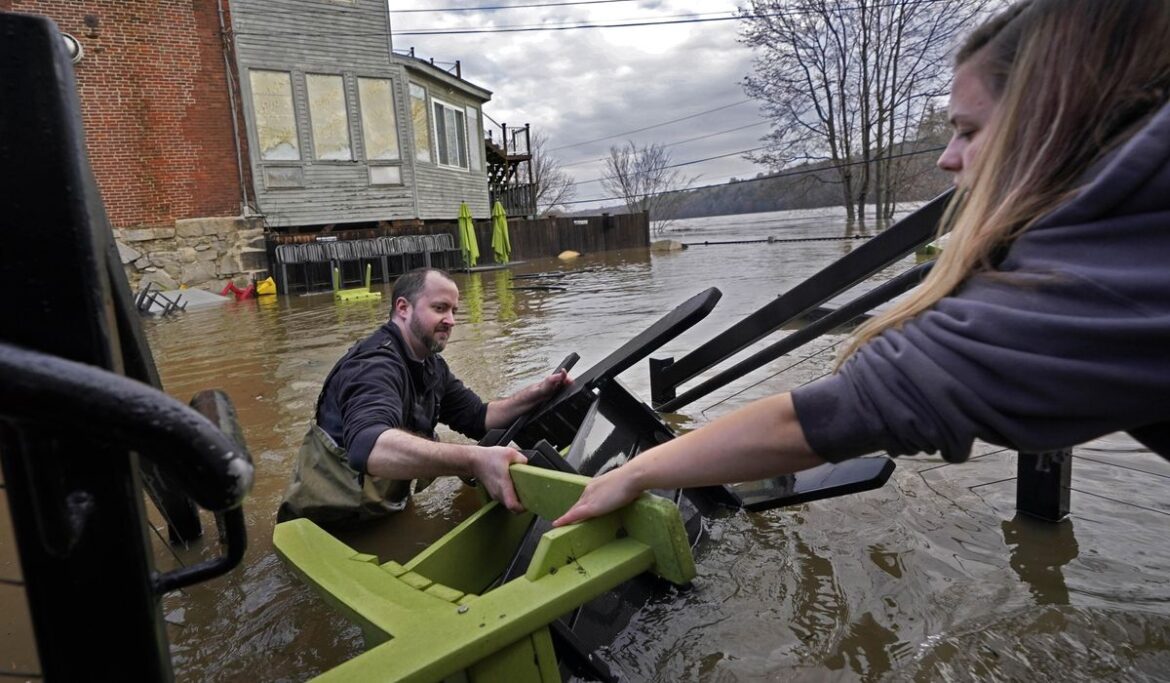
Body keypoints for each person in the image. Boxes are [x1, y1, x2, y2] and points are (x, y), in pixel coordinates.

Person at [555, 0, 1170, 527]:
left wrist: (633, 475)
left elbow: (833, 415)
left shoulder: (1092, 278)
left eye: (966, 130)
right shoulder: (1130, 227)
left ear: (1055, 117)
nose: (946, 159)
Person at [279, 267, 569, 526]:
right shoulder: (373, 366)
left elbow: (479, 417)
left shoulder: (430, 363)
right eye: (440, 308)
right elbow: (367, 447)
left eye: (454, 310)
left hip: (379, 508)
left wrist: (537, 393)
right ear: (403, 308)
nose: (451, 320)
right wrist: (473, 460)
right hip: (326, 526)